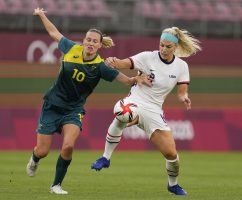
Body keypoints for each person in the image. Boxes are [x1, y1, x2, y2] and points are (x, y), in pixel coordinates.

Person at [26, 8, 151, 195]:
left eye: (95, 41)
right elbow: (53, 32)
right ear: (84, 41)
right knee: (42, 151)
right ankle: (35, 159)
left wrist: (136, 79)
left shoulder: (100, 67)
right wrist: (42, 15)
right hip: (52, 106)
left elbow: (124, 79)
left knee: (68, 146)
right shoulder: (71, 48)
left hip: (73, 110)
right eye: (88, 40)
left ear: (100, 45)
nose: (90, 43)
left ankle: (56, 186)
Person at [91, 27, 201, 196]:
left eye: (168, 47)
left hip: (154, 111)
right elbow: (124, 63)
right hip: (135, 101)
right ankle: (105, 158)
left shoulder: (181, 66)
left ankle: (173, 185)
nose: (163, 49)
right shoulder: (147, 57)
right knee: (123, 111)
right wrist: (114, 61)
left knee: (171, 154)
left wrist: (183, 97)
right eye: (161, 45)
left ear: (176, 47)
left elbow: (182, 91)